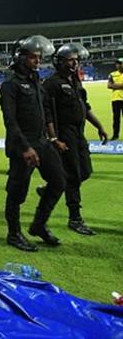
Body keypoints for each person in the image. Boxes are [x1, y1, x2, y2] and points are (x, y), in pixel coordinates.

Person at [0, 35, 66, 252]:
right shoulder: (10, 85)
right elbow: (10, 121)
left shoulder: (36, 81)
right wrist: (25, 148)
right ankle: (14, 234)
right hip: (23, 147)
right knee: (17, 193)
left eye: (39, 57)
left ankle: (38, 225)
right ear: (20, 57)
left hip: (42, 142)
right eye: (33, 57)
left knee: (58, 181)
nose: (38, 61)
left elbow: (44, 111)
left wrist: (53, 137)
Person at [42, 43, 107, 235]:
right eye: (71, 59)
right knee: (74, 176)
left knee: (85, 171)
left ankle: (50, 187)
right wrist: (54, 138)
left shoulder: (75, 82)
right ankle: (75, 219)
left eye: (77, 60)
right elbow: (47, 114)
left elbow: (84, 107)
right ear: (59, 62)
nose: (75, 63)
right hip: (65, 135)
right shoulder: (52, 84)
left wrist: (100, 126)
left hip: (79, 134)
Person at [107, 57, 123, 140]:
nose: (119, 65)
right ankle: (115, 135)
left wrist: (115, 86)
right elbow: (109, 86)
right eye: (117, 64)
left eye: (120, 63)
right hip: (115, 99)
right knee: (116, 119)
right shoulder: (112, 74)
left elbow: (112, 85)